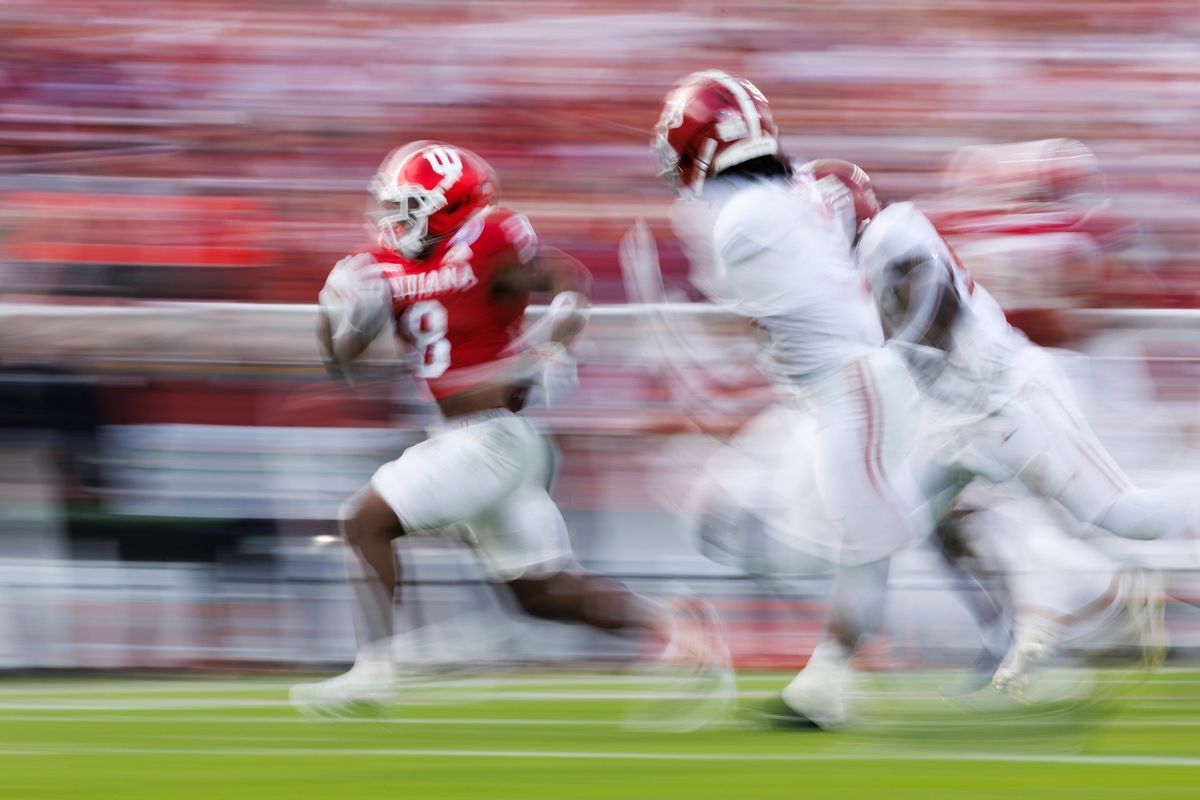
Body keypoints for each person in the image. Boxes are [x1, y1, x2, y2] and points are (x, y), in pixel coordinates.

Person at [291, 140, 724, 714]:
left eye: (410, 206)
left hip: (489, 438)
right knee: (540, 593)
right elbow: (344, 364)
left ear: (450, 206)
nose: (396, 220)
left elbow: (569, 285)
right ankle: (677, 628)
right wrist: (335, 317)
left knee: (364, 521)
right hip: (469, 444)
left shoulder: (489, 239)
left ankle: (373, 672)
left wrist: (551, 348)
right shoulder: (387, 267)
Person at [809, 157, 1181, 694]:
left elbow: (936, 305)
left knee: (1129, 516)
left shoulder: (893, 231)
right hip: (950, 422)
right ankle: (827, 680)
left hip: (1011, 401)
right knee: (885, 528)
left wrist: (881, 354)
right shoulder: (847, 270)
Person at [649, 70, 932, 729]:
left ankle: (833, 682)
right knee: (717, 519)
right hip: (816, 396)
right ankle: (863, 634)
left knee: (863, 538)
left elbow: (743, 322)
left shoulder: (734, 221)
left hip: (853, 388)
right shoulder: (793, 189)